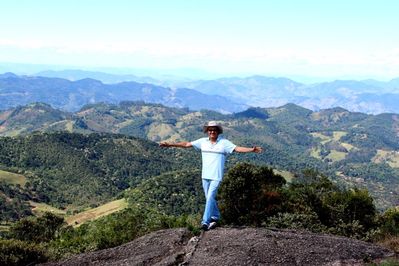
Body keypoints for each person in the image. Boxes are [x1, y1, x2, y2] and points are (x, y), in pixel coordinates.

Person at [160, 121, 262, 231]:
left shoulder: (224, 143)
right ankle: (215, 217)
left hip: (216, 176)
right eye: (210, 130)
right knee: (209, 198)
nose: (212, 132)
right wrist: (170, 144)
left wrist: (251, 149)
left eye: (214, 130)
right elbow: (186, 144)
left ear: (218, 132)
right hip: (205, 176)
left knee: (209, 198)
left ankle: (205, 222)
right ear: (207, 132)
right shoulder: (202, 142)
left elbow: (237, 149)